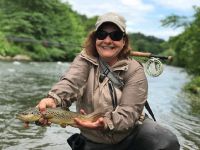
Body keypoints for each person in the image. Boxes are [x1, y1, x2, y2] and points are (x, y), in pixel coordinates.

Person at [36, 12, 180, 150]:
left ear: (124, 41)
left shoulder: (135, 70)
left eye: (115, 36)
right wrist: (54, 99)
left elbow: (129, 113)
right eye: (102, 34)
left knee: (166, 140)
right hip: (94, 140)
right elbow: (71, 82)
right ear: (95, 39)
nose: (107, 40)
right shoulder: (83, 61)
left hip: (129, 136)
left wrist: (105, 122)